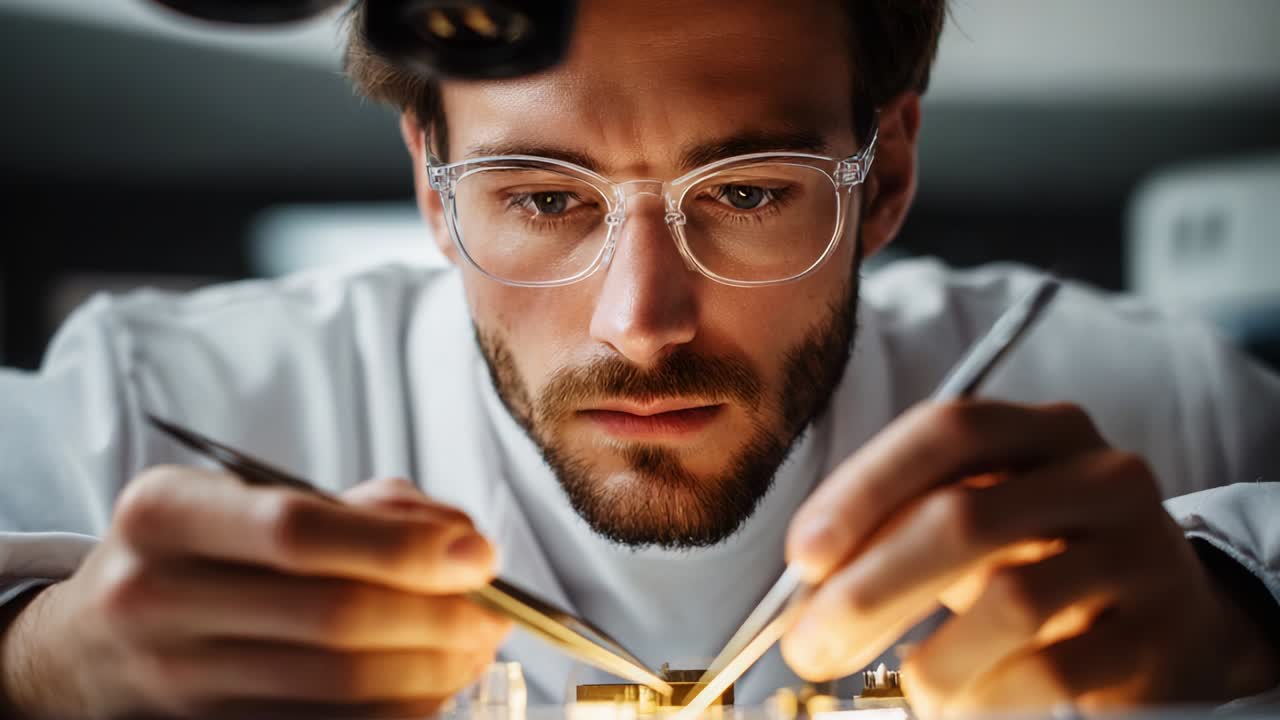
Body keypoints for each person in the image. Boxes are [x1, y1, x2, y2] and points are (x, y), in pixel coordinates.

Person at [2, 1, 1279, 717]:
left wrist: (1243, 622)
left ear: (882, 174)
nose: (640, 321)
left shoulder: (1160, 409)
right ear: (434, 192)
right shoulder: (151, 409)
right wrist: (39, 664)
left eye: (749, 192)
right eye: (542, 198)